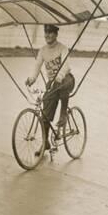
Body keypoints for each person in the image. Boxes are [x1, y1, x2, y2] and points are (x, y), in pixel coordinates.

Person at [26, 24, 75, 152]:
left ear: (56, 34)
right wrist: (31, 79)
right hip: (53, 84)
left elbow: (66, 66)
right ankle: (45, 143)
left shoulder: (63, 48)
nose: (47, 35)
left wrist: (58, 78)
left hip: (66, 79)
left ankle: (63, 115)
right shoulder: (43, 51)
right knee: (45, 113)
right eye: (46, 32)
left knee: (63, 83)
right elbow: (37, 66)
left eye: (51, 32)